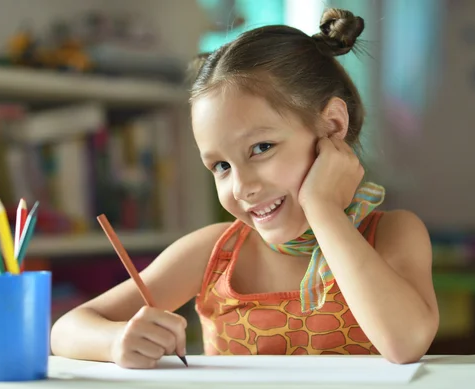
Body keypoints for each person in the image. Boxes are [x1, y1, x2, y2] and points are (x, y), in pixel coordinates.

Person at [50, 8, 439, 368]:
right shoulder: (213, 253)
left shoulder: (392, 234)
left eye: (261, 148)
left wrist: (322, 208)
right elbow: (67, 329)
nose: (242, 186)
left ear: (333, 126)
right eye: (221, 165)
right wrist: (117, 341)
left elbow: (405, 343)